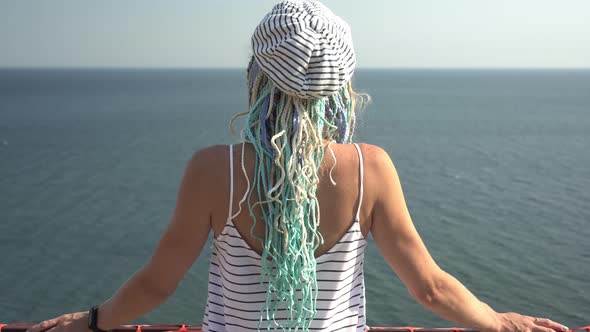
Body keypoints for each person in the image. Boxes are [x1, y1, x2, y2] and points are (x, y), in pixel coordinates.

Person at [27, 1, 569, 332]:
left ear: (258, 74)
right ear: (340, 85)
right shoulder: (370, 170)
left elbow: (156, 286)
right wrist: (499, 321)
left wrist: (91, 321)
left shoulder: (214, 171)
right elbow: (428, 287)